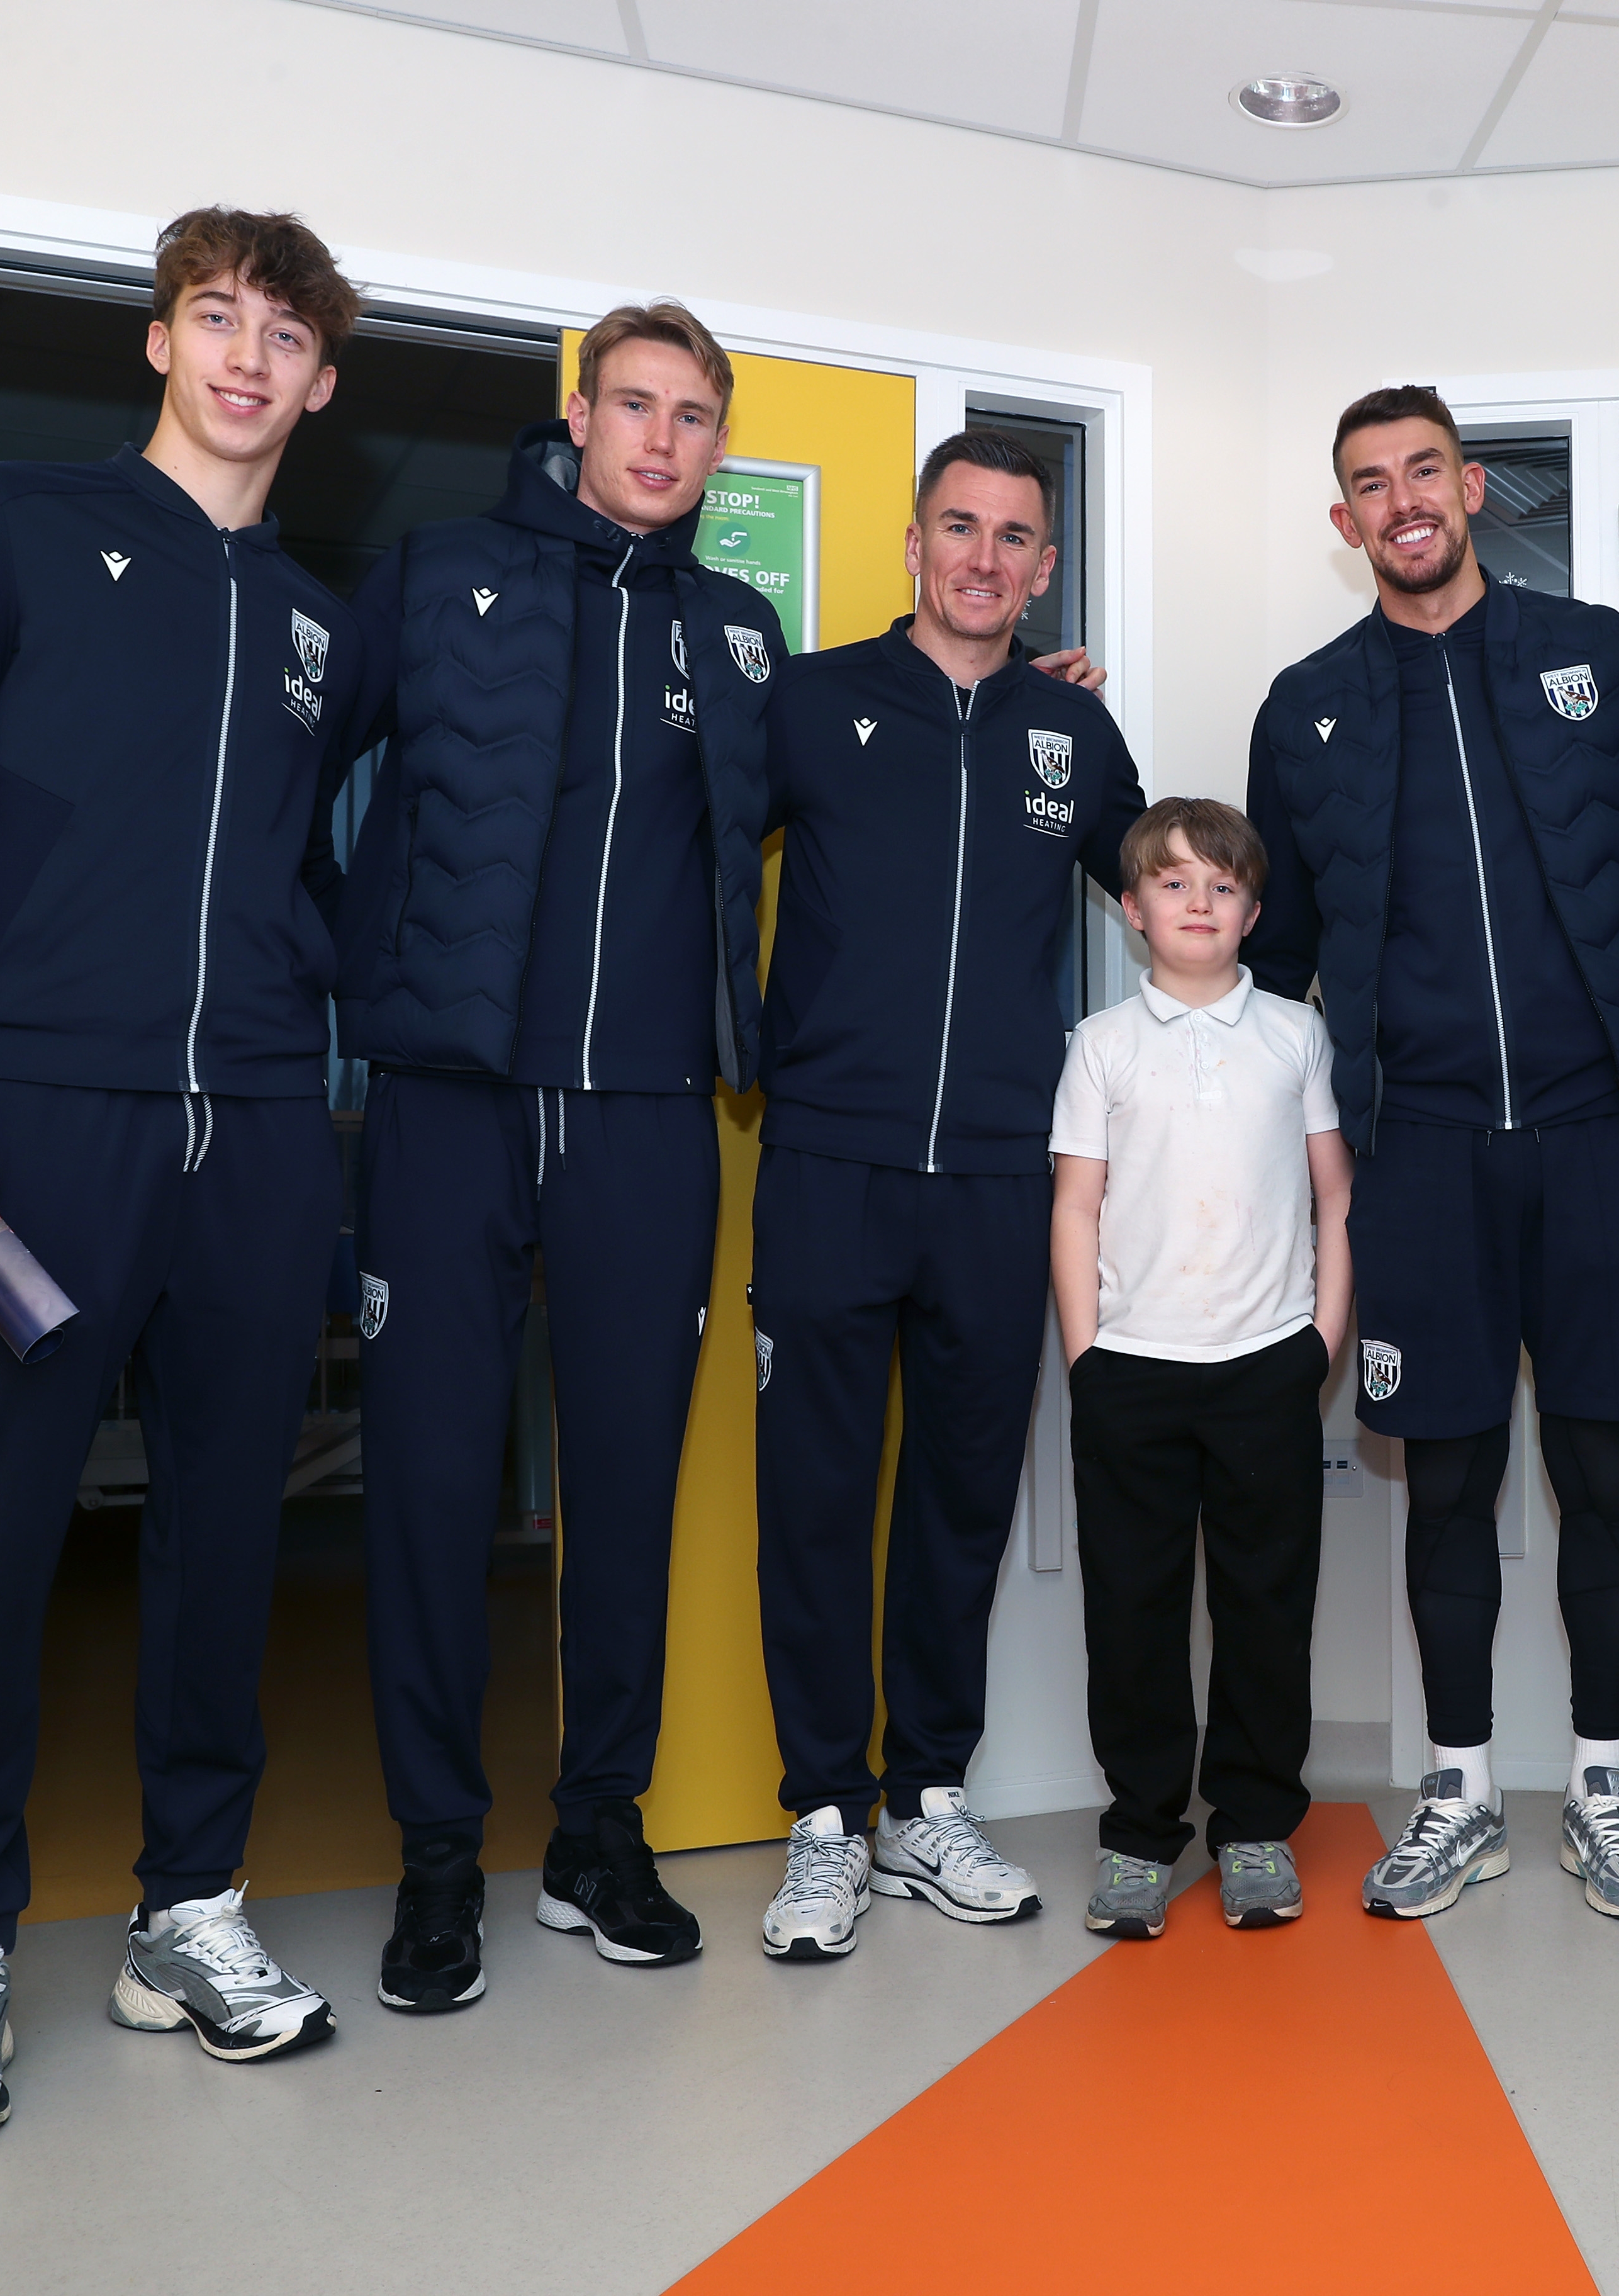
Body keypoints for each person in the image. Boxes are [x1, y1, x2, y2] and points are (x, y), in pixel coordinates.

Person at [0, 208, 370, 2145]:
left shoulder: (328, 624)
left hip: (254, 1136)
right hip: (30, 1129)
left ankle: (189, 1910)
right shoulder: (9, 522)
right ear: (163, 341)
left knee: (229, 1534)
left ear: (323, 383)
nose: (247, 359)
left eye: (285, 336)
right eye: (217, 320)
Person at [332, 301, 784, 2010]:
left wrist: (1008, 683)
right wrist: (341, 964)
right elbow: (298, 762)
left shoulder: (737, 636)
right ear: (579, 416)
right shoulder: (443, 572)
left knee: (628, 1498)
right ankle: (437, 1859)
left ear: (717, 445)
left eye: (694, 418)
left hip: (652, 1122)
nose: (662, 441)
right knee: (436, 1491)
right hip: (450, 1106)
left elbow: (858, 777)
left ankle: (600, 1834)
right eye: (636, 408)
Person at [1245, 386, 1619, 1923]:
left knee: (1600, 1474)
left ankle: (1608, 1787)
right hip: (1419, 1153)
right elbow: (1274, 944)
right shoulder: (1306, 703)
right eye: (1369, 483)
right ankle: (1461, 1792)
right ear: (1346, 521)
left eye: (1423, 470)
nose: (1402, 500)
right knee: (1445, 1484)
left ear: (1474, 486)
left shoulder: (1599, 660)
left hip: (1597, 1142)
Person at [749, 429, 1146, 1960]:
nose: (985, 558)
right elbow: (699, 867)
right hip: (831, 1167)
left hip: (1001, 1176)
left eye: (1015, 539)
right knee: (818, 1505)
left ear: (1046, 570)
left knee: (963, 1501)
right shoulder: (813, 700)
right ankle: (824, 1820)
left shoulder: (1074, 741)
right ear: (915, 545)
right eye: (959, 528)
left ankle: (926, 1799)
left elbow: (1177, 896)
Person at [1053, 799, 1353, 1940]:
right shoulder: (1102, 1045)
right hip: (1130, 1370)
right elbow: (1076, 1206)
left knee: (1266, 1607)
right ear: (1131, 911)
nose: (1197, 903)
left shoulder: (1295, 1035)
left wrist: (1318, 1343)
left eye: (1221, 887)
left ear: (1253, 913)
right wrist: (1086, 1357)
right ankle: (1138, 1836)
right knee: (1131, 1612)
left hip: (1265, 1368)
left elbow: (1334, 1195)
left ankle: (1257, 1828)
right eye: (1173, 885)